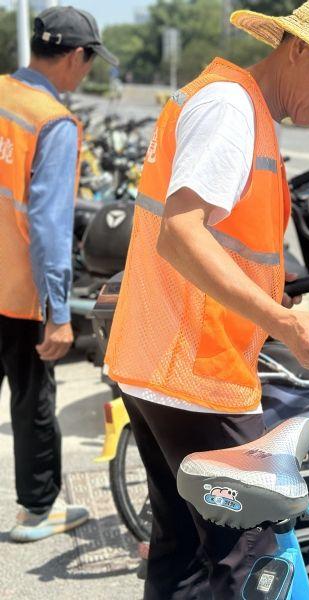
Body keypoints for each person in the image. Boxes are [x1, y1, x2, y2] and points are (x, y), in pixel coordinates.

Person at [102, 0, 309, 596]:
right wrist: (284, 323)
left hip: (164, 362)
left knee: (184, 556)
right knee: (253, 560)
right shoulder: (231, 108)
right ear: (298, 48)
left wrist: (286, 317)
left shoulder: (237, 106)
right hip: (196, 373)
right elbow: (181, 234)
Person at [0, 6, 118, 543]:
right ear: (75, 56)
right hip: (19, 294)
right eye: (90, 61)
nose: (87, 72)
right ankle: (37, 511)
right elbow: (48, 226)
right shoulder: (52, 121)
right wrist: (57, 313)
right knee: (33, 400)